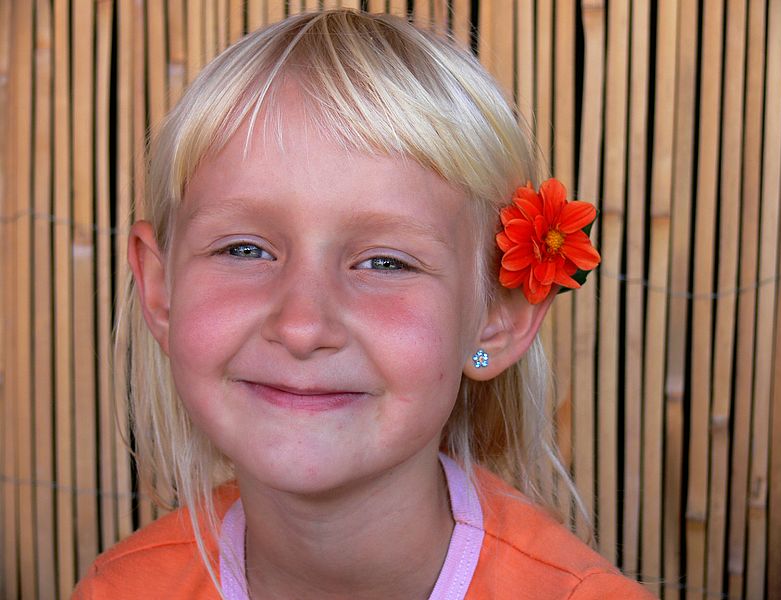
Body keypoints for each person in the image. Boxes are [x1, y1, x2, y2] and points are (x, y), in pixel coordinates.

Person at [73, 9, 653, 599]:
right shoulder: (119, 589)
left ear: (498, 318)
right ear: (160, 289)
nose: (302, 326)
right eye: (245, 249)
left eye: (386, 263)